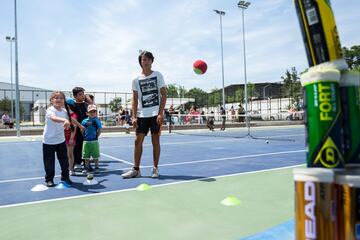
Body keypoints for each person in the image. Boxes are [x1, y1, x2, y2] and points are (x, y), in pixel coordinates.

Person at [121, 50, 167, 179]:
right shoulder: (135, 79)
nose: (145, 61)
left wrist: (160, 113)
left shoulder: (158, 75)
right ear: (140, 62)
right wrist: (134, 116)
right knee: (137, 141)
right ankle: (136, 169)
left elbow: (164, 94)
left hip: (155, 115)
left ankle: (155, 169)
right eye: (143, 59)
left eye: (147, 59)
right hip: (142, 115)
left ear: (152, 61)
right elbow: (134, 99)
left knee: (155, 141)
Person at [42, 91, 72, 187]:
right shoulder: (50, 110)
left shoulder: (64, 112)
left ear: (64, 101)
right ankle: (49, 179)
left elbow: (71, 119)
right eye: (56, 98)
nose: (58, 99)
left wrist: (79, 125)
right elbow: (54, 118)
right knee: (49, 162)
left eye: (61, 98)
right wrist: (65, 120)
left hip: (61, 140)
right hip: (48, 141)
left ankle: (65, 177)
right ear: (51, 100)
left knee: (64, 161)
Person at [72, 87, 91, 172]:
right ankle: (77, 163)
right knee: (77, 147)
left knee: (86, 147)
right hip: (76, 130)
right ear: (75, 96)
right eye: (80, 94)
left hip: (86, 130)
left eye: (83, 94)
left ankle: (86, 163)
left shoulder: (87, 105)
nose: (82, 96)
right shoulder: (72, 105)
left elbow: (92, 113)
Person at [64, 98, 84, 176]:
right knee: (65, 154)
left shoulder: (73, 114)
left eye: (65, 105)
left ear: (68, 106)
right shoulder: (63, 113)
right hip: (63, 137)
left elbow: (74, 127)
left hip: (70, 137)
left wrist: (72, 138)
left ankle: (71, 169)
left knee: (70, 154)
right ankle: (67, 168)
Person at [81, 104, 102, 174]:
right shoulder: (84, 121)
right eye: (90, 112)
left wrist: (97, 136)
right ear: (87, 113)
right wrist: (84, 136)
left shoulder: (96, 121)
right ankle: (86, 168)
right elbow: (82, 129)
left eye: (94, 111)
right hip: (86, 141)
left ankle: (96, 167)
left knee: (95, 156)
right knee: (86, 156)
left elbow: (99, 129)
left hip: (94, 141)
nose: (92, 113)